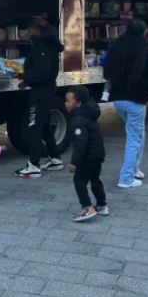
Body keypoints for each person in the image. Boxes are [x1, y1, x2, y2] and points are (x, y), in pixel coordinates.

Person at [103, 19, 148, 188]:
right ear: (144, 32)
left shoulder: (117, 47)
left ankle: (134, 169)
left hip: (119, 99)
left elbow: (107, 72)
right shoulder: (144, 50)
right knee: (134, 138)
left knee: (138, 133)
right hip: (136, 100)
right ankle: (126, 177)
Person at [15, 18, 65, 178]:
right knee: (43, 124)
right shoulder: (46, 44)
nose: (28, 31)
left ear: (37, 30)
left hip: (41, 91)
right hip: (45, 89)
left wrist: (24, 77)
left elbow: (43, 73)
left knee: (33, 125)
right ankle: (55, 158)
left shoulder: (42, 47)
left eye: (30, 28)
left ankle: (34, 164)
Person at [65, 85, 108, 221]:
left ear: (78, 104)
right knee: (95, 179)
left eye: (68, 101)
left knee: (79, 180)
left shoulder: (78, 119)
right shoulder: (89, 113)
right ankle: (102, 205)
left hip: (87, 157)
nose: (65, 104)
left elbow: (80, 144)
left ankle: (87, 207)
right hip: (97, 155)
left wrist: (74, 162)